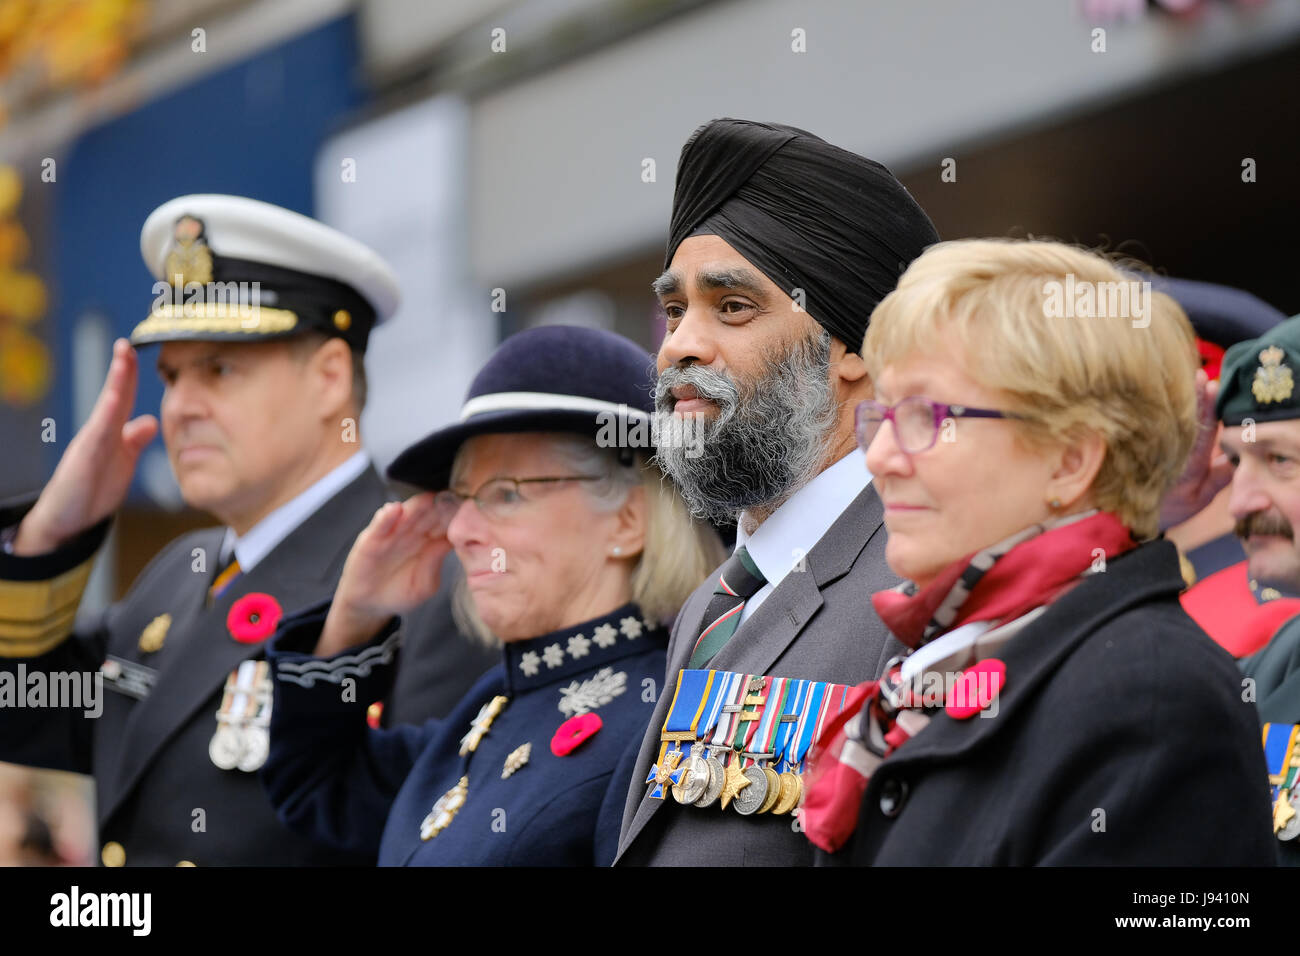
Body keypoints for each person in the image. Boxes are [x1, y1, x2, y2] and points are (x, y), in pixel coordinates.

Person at [0, 194, 494, 866]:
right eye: (171, 376)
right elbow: (20, 713)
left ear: (328, 379)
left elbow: (429, 839)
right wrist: (47, 537)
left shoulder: (428, 579)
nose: (179, 408)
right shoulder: (179, 573)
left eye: (220, 369)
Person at [801, 238, 1274, 865]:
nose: (880, 458)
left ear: (1071, 460)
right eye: (881, 415)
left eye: (925, 417)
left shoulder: (1150, 694)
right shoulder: (951, 660)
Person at [258, 325, 726, 865]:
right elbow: (319, 785)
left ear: (626, 520)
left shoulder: (662, 724)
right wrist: (354, 619)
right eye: (459, 500)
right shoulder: (492, 705)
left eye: (505, 493)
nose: (460, 532)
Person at [614, 118, 940, 866]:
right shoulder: (715, 600)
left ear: (856, 348)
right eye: (674, 310)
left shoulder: (918, 587)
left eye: (732, 307)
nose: (678, 346)